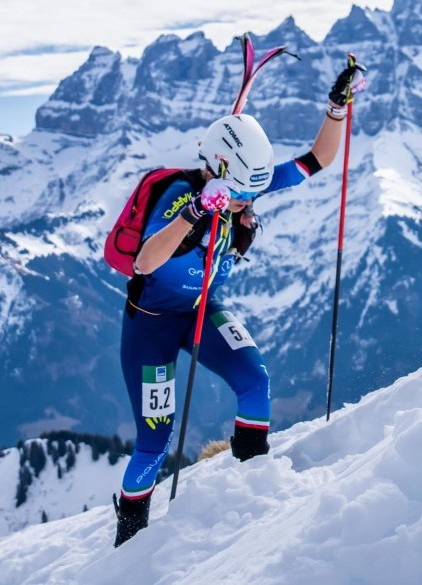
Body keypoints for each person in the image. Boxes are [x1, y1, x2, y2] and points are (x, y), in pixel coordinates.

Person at [113, 60, 366, 546]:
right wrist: (193, 213)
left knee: (255, 381)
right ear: (219, 171)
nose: (247, 205)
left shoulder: (243, 186)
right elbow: (145, 262)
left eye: (253, 195)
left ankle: (253, 490)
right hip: (150, 326)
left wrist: (337, 109)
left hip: (201, 311)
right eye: (240, 196)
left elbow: (316, 161)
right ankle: (128, 543)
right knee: (153, 443)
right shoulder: (179, 193)